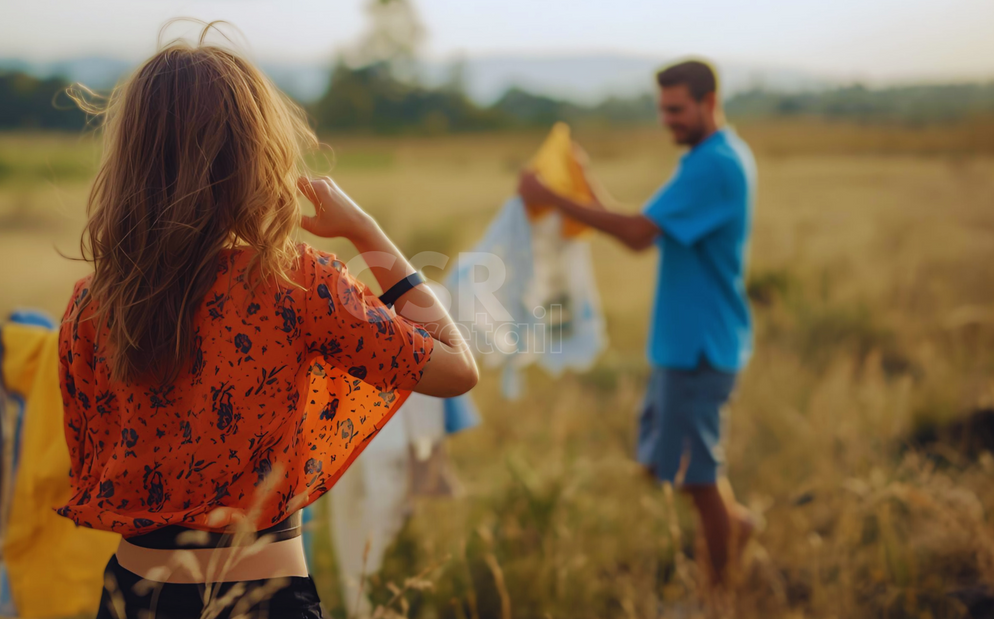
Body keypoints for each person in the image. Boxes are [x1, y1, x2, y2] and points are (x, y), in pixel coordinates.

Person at [57, 33, 478, 619]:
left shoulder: (91, 304)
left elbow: (93, 458)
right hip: (264, 599)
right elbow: (457, 369)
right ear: (256, 153)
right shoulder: (297, 285)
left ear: (132, 156)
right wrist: (366, 231)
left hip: (133, 596)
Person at [517, 59, 757, 586]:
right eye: (662, 109)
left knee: (698, 477)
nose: (667, 119)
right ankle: (734, 530)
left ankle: (720, 591)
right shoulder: (712, 156)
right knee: (678, 470)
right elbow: (643, 223)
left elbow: (635, 235)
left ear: (708, 101)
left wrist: (552, 197)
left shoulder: (712, 165)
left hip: (698, 347)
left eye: (677, 109)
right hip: (688, 343)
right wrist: (583, 180)